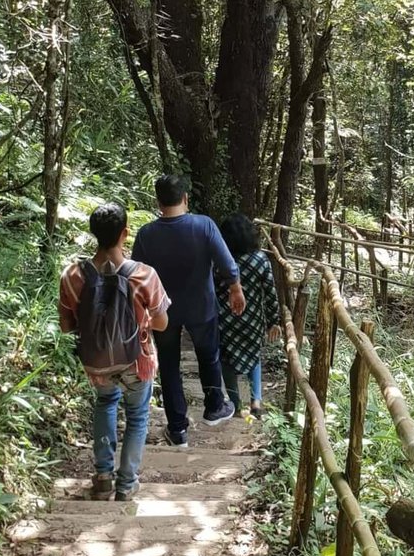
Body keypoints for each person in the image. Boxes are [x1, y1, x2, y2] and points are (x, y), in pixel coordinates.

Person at [59, 202, 170, 501]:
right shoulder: (144, 275)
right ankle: (127, 484)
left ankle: (103, 477)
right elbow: (161, 323)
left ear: (93, 234)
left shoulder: (72, 276)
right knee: (136, 416)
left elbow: (67, 327)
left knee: (105, 404)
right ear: (125, 233)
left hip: (96, 364)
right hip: (137, 360)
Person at [132, 174, 246, 449]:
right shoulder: (203, 226)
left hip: (163, 312)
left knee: (170, 365)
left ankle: (178, 429)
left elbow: (136, 274)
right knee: (208, 355)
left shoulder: (147, 234)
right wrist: (235, 288)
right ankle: (214, 408)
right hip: (201, 308)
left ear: (158, 202)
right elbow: (227, 264)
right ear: (185, 198)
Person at [216, 213, 280, 418]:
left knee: (226, 361)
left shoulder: (219, 262)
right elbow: (270, 292)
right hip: (253, 320)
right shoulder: (260, 260)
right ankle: (256, 401)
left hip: (225, 321)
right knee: (254, 357)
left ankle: (235, 404)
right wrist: (274, 321)